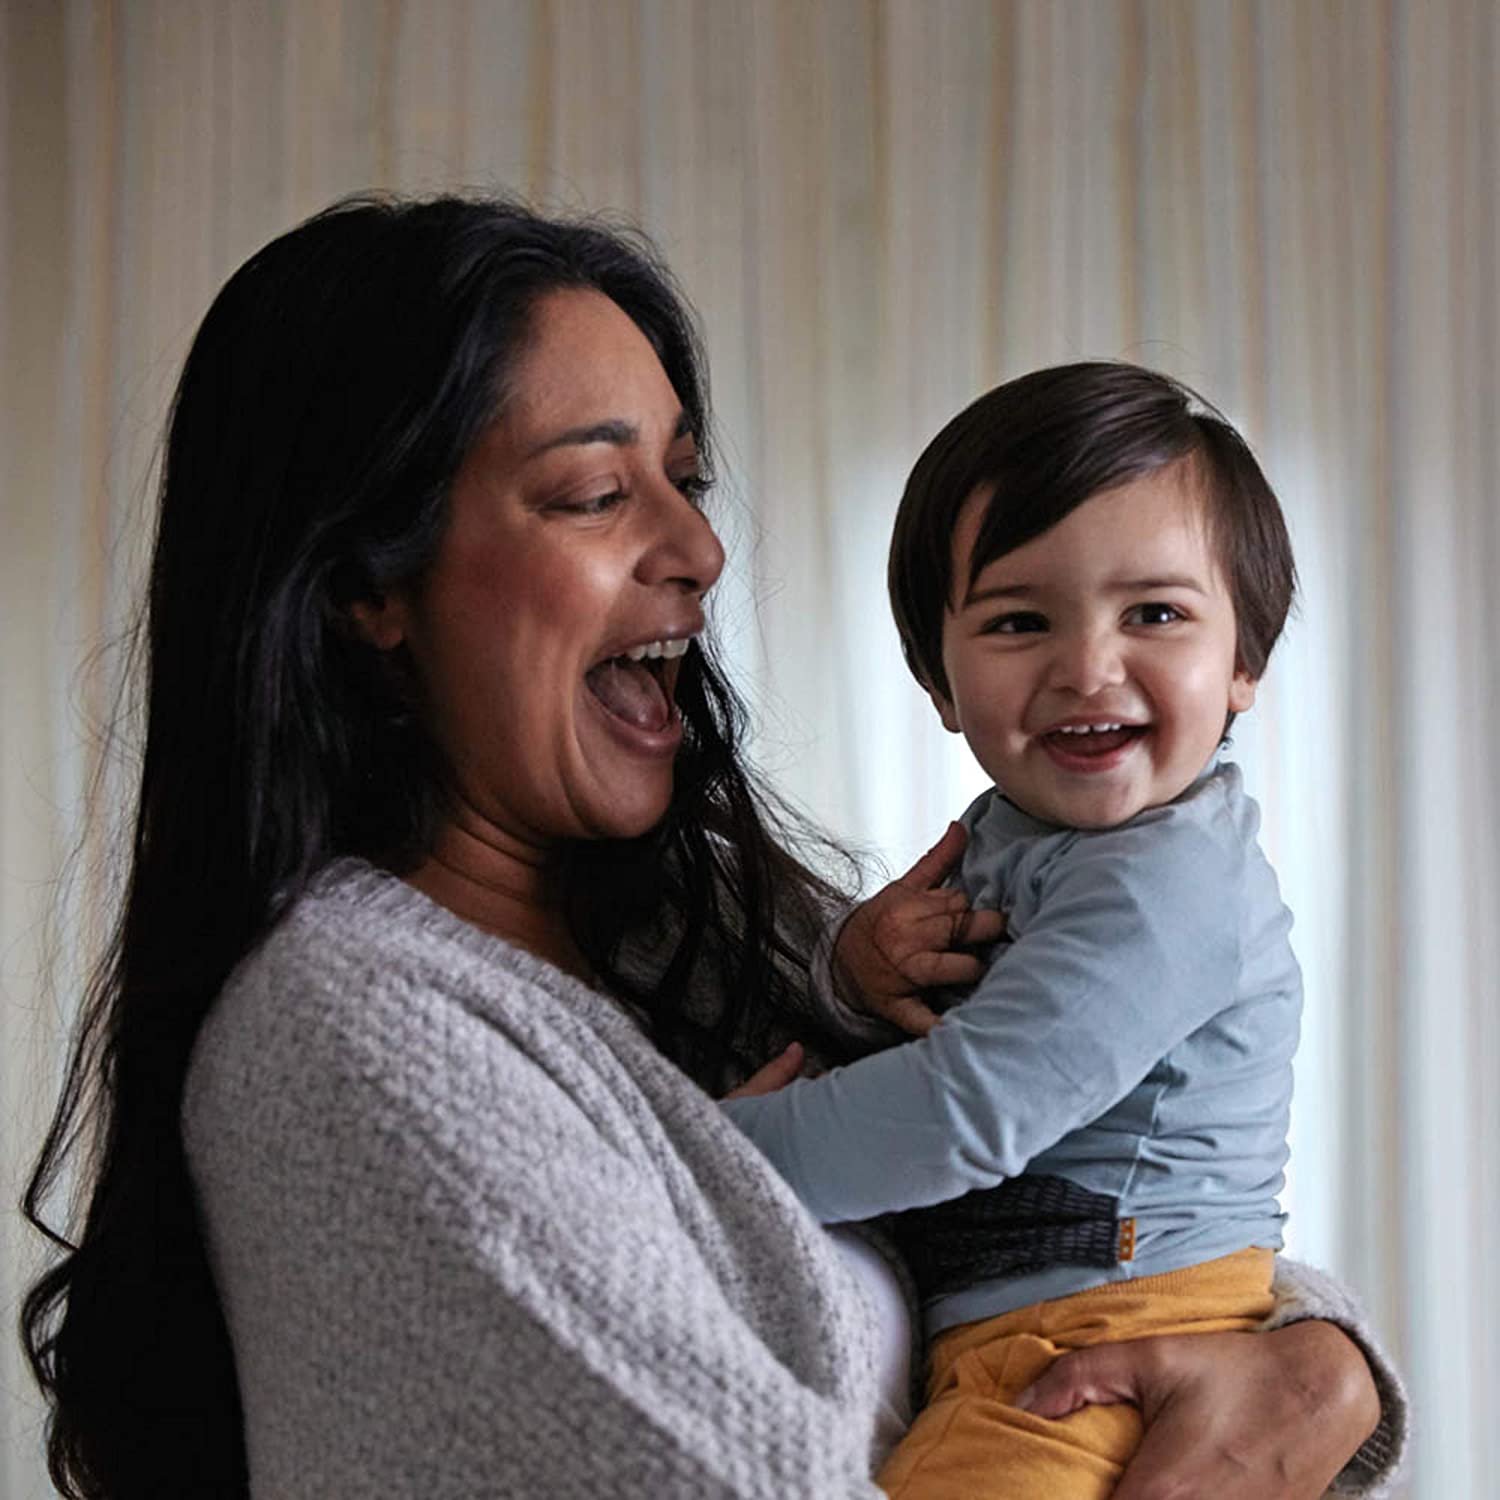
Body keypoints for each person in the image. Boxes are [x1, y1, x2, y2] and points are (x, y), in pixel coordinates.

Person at [19, 197, 1403, 1500]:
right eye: (594, 492)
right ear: (367, 587)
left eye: (685, 478)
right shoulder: (362, 1032)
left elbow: (1082, 1175)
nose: (700, 545)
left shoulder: (699, 929)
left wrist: (1320, 1364)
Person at [721, 362, 1374, 1498]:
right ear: (938, 680)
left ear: (1244, 662)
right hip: (1030, 1341)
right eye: (1020, 621)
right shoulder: (1018, 838)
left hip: (1108, 1350)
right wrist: (858, 969)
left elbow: (967, 1108)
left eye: (1155, 614)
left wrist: (709, 1153)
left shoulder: (1170, 879)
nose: (1087, 668)